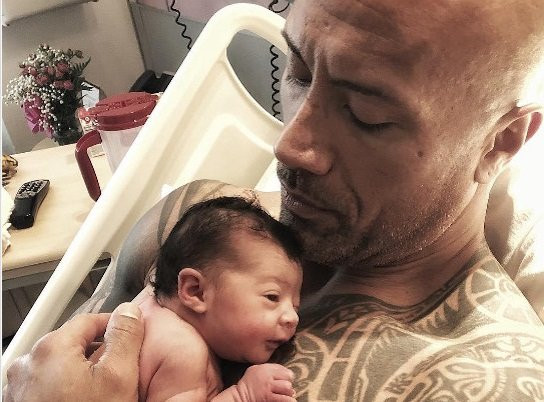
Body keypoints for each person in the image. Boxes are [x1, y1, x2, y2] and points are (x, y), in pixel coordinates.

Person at [5, 0, 544, 400]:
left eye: (367, 115)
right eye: (298, 72)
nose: (289, 144)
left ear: (500, 142)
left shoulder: (477, 382)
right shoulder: (197, 222)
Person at [132, 196, 302, 401]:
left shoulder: (141, 311)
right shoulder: (184, 351)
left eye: (295, 306)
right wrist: (242, 395)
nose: (293, 318)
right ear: (195, 291)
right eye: (272, 297)